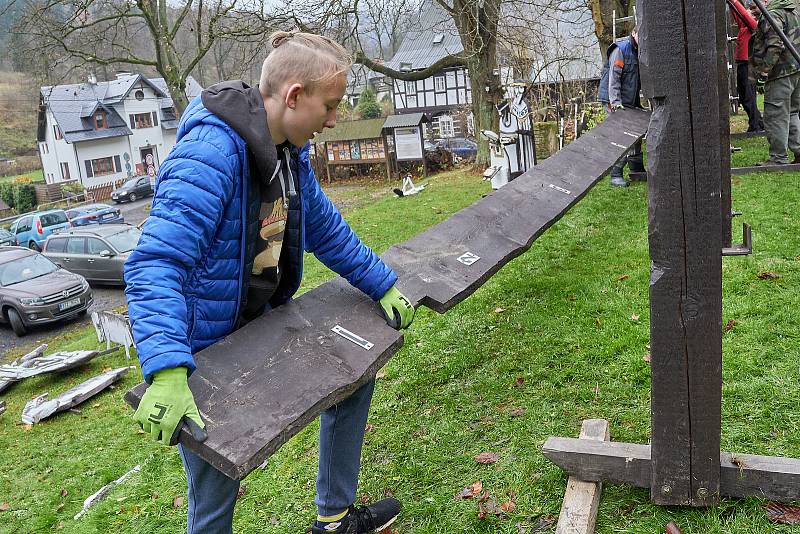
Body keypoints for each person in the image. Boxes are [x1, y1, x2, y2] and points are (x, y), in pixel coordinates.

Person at [124, 30, 416, 534]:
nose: (334, 118)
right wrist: (168, 369)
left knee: (356, 372)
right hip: (207, 345)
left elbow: (324, 227)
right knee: (216, 485)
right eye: (330, 105)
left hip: (264, 324)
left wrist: (381, 282)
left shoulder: (288, 153)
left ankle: (335, 518)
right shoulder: (211, 155)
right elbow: (155, 264)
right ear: (294, 95)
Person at [750, 0, 800, 165]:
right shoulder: (793, 9)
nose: (753, 9)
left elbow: (775, 44)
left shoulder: (772, 13)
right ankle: (799, 151)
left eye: (754, 6)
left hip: (781, 71)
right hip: (796, 69)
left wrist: (764, 71)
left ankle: (778, 157)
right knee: (792, 112)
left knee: (775, 114)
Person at [598, 29, 645, 187]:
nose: (643, 38)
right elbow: (614, 79)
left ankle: (636, 169)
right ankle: (615, 174)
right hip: (613, 99)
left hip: (629, 99)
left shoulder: (640, 51)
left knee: (637, 129)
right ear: (634, 33)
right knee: (622, 136)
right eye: (641, 34)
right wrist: (616, 103)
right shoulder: (621, 50)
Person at [730, 0, 765, 132]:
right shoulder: (746, 26)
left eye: (754, 7)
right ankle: (758, 123)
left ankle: (756, 124)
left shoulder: (756, 24)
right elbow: (739, 16)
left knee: (748, 96)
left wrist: (734, 1)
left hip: (748, 63)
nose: (751, 9)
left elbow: (744, 15)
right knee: (744, 95)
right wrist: (731, 4)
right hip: (743, 63)